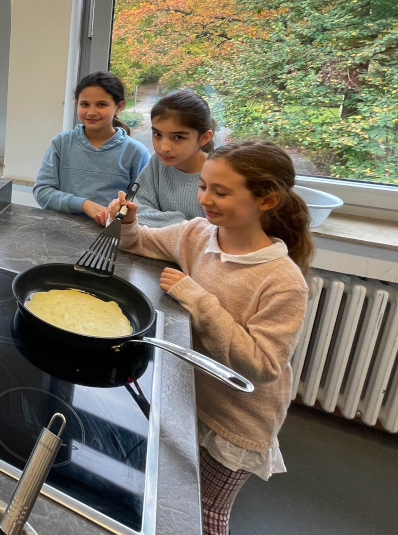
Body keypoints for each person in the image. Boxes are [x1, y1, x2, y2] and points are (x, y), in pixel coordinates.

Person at [109, 140, 313, 535]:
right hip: (189, 397)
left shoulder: (282, 281)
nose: (205, 199)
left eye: (221, 192)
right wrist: (129, 222)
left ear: (267, 200)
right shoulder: (198, 233)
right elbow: (140, 242)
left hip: (234, 419)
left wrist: (197, 298)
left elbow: (263, 365)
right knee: (173, 496)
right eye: (203, 187)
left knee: (205, 513)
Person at [33, 72, 149, 219]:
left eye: (101, 104)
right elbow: (42, 191)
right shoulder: (62, 143)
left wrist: (117, 214)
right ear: (77, 104)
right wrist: (84, 204)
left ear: (119, 106)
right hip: (59, 228)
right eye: (85, 104)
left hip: (109, 231)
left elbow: (142, 204)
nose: (91, 112)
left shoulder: (136, 152)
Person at [123, 89, 216, 227]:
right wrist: (187, 226)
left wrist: (165, 223)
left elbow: (218, 230)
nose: (164, 147)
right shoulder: (157, 162)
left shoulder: (219, 174)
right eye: (157, 134)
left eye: (178, 137)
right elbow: (136, 209)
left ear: (204, 138)